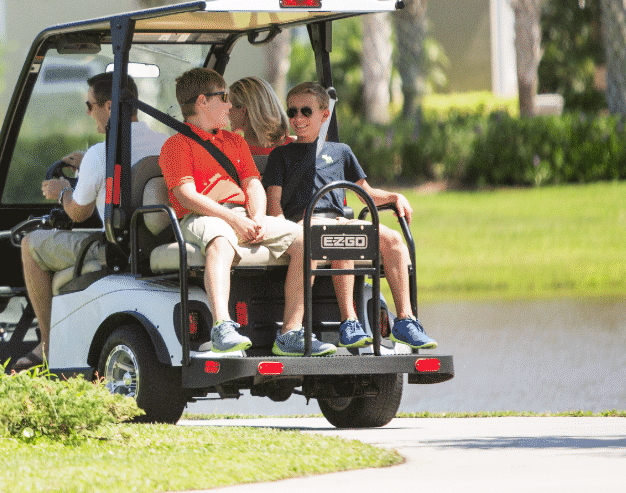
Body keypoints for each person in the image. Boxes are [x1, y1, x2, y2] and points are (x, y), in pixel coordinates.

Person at [264, 80, 438, 355]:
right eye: (292, 112)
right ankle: (341, 323)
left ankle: (405, 320)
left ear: (324, 114)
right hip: (305, 223)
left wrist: (394, 197)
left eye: (305, 112)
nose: (297, 118)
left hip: (338, 220)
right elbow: (273, 203)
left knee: (393, 240)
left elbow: (365, 193)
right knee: (337, 238)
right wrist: (285, 230)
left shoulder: (340, 151)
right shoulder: (281, 155)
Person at [16, 72, 167, 370]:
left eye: (90, 105)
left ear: (109, 107)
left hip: (114, 249)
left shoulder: (102, 154)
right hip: (154, 242)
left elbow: (77, 213)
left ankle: (48, 345)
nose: (88, 112)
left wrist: (63, 192)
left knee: (30, 243)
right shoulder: (165, 143)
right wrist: (88, 164)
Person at [159, 67, 300, 355]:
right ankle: (222, 326)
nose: (229, 105)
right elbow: (185, 195)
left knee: (305, 240)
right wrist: (233, 219)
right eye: (223, 97)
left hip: (242, 215)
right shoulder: (176, 144)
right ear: (202, 102)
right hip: (203, 217)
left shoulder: (234, 141)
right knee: (221, 241)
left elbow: (253, 185)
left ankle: (290, 332)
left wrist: (258, 217)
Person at [227, 75, 290, 159]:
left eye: (230, 106)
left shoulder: (233, 154)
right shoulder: (293, 146)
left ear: (243, 110)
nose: (227, 112)